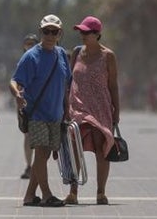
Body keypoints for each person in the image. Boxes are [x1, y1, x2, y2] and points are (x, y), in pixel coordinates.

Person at [10, 14, 71, 208]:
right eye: (46, 31)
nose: (50, 35)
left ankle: (29, 195)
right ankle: (46, 194)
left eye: (54, 32)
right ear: (41, 32)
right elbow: (15, 81)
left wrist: (67, 109)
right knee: (41, 153)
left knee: (43, 157)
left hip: (55, 115)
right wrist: (17, 95)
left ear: (60, 34)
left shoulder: (61, 55)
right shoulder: (31, 56)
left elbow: (66, 84)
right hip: (37, 114)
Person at [64, 16, 119, 206]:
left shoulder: (108, 56)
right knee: (75, 147)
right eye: (81, 31)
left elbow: (113, 85)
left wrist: (116, 111)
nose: (82, 35)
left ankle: (101, 192)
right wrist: (65, 106)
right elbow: (69, 81)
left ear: (97, 34)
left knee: (100, 148)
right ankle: (73, 191)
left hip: (101, 108)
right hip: (78, 108)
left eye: (86, 32)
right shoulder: (77, 52)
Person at [19, 33, 39, 180]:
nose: (30, 45)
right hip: (26, 103)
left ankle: (38, 165)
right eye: (27, 43)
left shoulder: (42, 58)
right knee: (27, 135)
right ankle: (29, 165)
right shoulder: (22, 61)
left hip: (41, 102)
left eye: (32, 43)